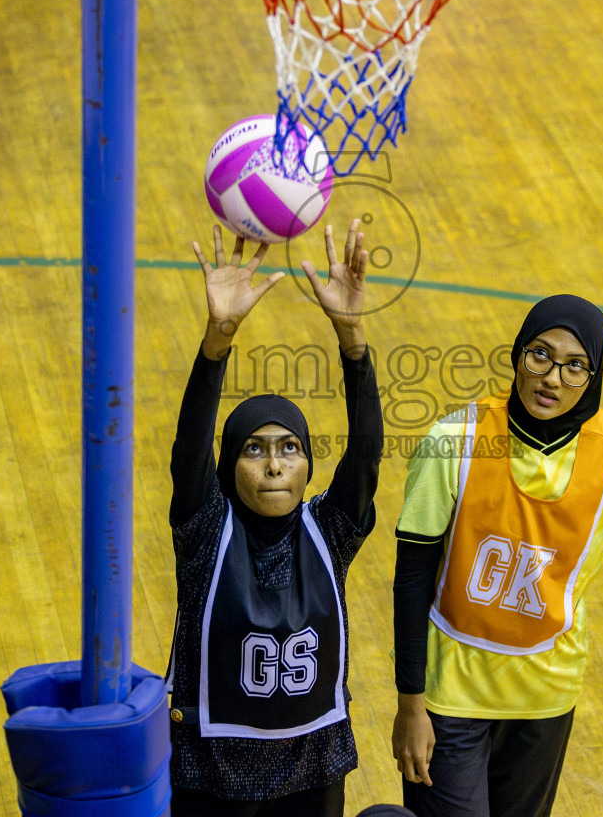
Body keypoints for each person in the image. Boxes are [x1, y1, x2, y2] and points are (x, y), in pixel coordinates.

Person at [389, 294, 603, 817]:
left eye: (575, 366)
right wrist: (410, 702)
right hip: (449, 696)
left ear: (594, 375)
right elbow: (411, 580)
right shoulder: (455, 439)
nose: (553, 378)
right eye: (540, 354)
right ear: (517, 355)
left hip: (546, 696)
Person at [166, 221, 382, 817]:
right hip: (211, 772)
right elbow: (188, 451)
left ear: (308, 467)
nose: (273, 465)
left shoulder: (328, 532)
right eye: (254, 449)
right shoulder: (206, 531)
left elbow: (366, 455)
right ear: (228, 468)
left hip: (311, 767)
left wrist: (353, 339)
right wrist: (217, 341)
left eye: (289, 449)